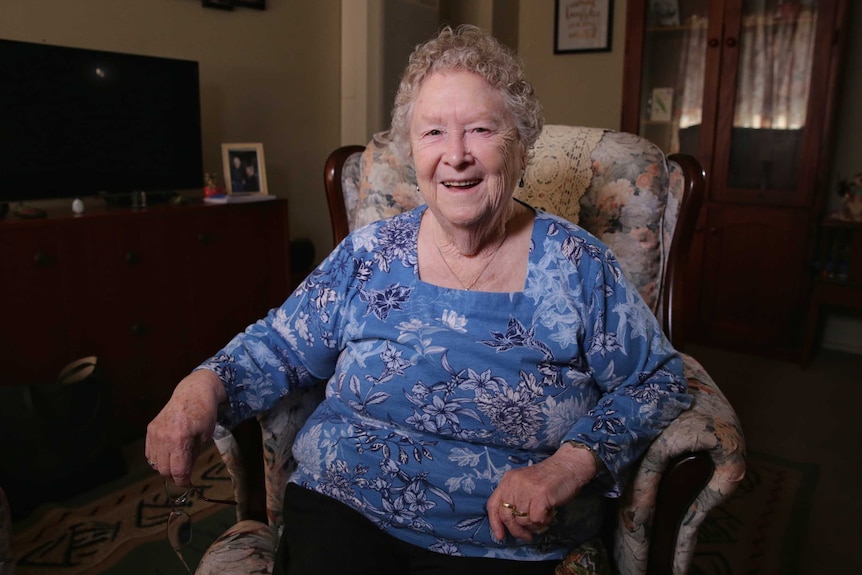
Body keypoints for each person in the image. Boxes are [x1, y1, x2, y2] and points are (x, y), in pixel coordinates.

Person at [146, 25, 691, 574]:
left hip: (500, 539)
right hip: (343, 509)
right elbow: (280, 345)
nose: (455, 156)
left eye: (480, 129)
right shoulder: (369, 256)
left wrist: (569, 466)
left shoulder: (577, 266)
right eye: (433, 132)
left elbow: (659, 381)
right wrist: (201, 386)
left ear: (520, 144)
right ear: (412, 150)